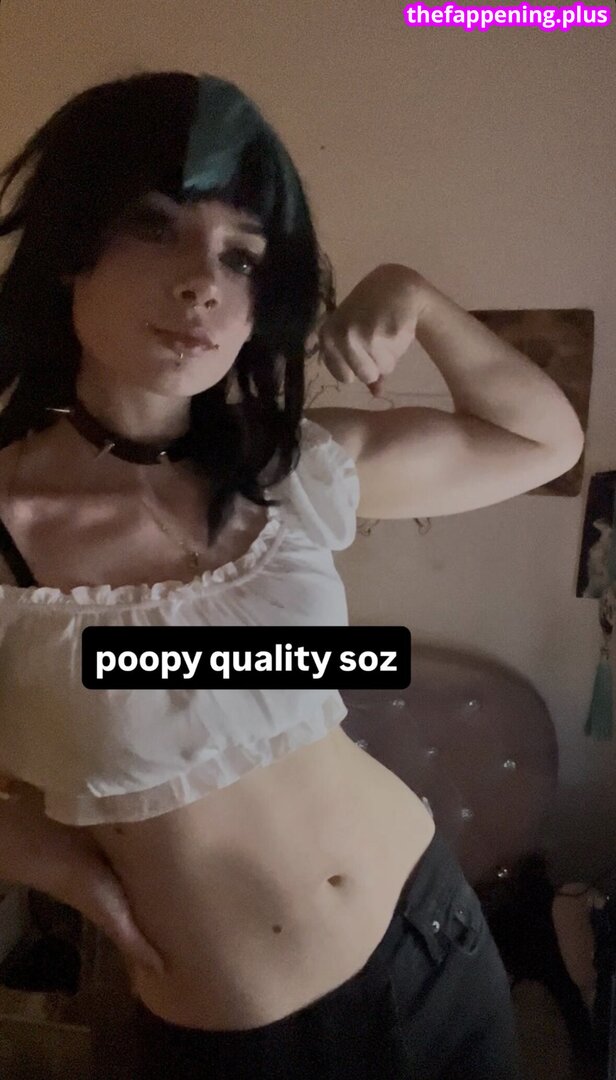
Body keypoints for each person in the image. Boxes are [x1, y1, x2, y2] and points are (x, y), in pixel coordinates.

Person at [0, 70, 583, 1079]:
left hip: (432, 941)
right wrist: (68, 873)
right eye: (156, 227)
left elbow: (542, 442)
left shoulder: (283, 469)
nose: (203, 283)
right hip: (246, 1038)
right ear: (69, 251)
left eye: (242, 256)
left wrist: (414, 294)